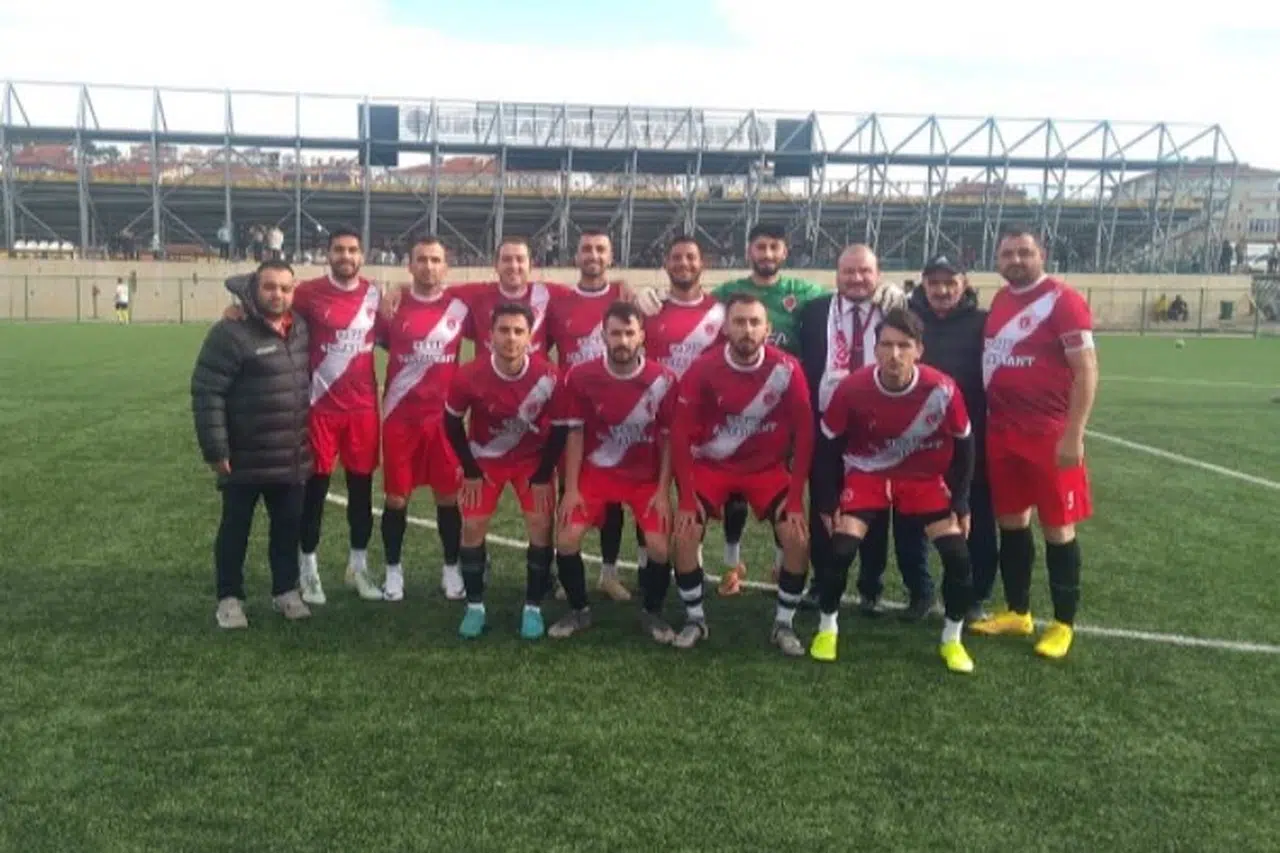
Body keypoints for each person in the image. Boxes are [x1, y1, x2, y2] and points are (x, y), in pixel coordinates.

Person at [809, 308, 979, 673]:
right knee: (840, 550)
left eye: (904, 346)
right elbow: (827, 447)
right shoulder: (852, 388)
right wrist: (827, 499)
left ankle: (952, 639)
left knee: (958, 557)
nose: (894, 354)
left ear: (919, 350)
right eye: (886, 345)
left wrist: (961, 500)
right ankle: (827, 629)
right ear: (876, 349)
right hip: (867, 474)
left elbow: (966, 445)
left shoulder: (942, 389)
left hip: (922, 480)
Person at [970, 229, 1098, 659]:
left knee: (1058, 527)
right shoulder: (1001, 300)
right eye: (1008, 253)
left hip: (1049, 433)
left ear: (1042, 255)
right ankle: (1018, 611)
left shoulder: (1063, 300)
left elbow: (1087, 369)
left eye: (1025, 252)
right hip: (1002, 431)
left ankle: (1063, 623)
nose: (1017, 260)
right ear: (997, 260)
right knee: (1011, 522)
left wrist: (1074, 433)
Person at [668, 292, 814, 655]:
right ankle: (695, 619)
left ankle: (784, 623)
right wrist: (686, 497)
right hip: (713, 467)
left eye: (754, 323)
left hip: (766, 470)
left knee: (797, 537)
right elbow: (681, 433)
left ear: (767, 329)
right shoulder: (704, 368)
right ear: (725, 329)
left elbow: (805, 432)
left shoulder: (787, 369)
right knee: (684, 533)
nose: (747, 330)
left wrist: (796, 498)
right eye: (739, 322)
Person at [797, 244, 930, 618]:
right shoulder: (815, 311)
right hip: (828, 424)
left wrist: (907, 300)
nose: (857, 279)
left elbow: (926, 324)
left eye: (865, 271)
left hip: (880, 429)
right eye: (849, 272)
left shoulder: (893, 309)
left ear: (878, 274)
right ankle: (823, 582)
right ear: (837, 275)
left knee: (875, 511)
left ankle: (871, 586)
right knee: (824, 504)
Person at [191, 261, 313, 628]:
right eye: (270, 287)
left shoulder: (300, 328)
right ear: (254, 289)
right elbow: (207, 392)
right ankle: (229, 598)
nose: (278, 295)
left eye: (285, 288)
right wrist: (216, 449)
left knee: (288, 528)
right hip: (243, 456)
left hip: (289, 455)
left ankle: (286, 591)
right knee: (235, 529)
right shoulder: (230, 332)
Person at [548, 301, 678, 639]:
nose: (622, 340)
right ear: (603, 336)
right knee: (566, 538)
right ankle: (579, 611)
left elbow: (668, 439)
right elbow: (575, 433)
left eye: (629, 333)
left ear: (642, 336)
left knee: (660, 546)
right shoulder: (581, 376)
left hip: (644, 478)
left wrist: (663, 492)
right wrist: (571, 489)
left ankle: (652, 613)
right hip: (596, 475)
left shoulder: (663, 379)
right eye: (615, 333)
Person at [443, 302, 566, 641]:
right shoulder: (469, 374)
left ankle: (533, 608)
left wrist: (543, 474)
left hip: (532, 460)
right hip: (485, 459)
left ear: (530, 337)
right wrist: (470, 469)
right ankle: (475, 607)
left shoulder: (549, 376)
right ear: (490, 335)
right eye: (504, 330)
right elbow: (451, 422)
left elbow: (559, 429)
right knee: (472, 526)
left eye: (518, 331)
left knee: (541, 525)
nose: (511, 338)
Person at [288, 227, 385, 604]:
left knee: (362, 493)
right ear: (328, 254)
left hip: (362, 411)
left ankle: (357, 567)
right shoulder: (308, 292)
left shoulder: (375, 295)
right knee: (315, 492)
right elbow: (272, 306)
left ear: (362, 255)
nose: (346, 256)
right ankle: (308, 569)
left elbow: (393, 332)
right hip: (320, 409)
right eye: (339, 250)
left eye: (353, 250)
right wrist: (237, 310)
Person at [544, 229, 634, 602]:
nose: (593, 255)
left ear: (610, 257)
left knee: (613, 497)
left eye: (600, 249)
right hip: (573, 417)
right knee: (569, 491)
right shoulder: (559, 303)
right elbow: (538, 349)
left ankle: (608, 574)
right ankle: (565, 570)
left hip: (615, 417)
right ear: (576, 256)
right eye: (586, 249)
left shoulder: (624, 297)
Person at [378, 235, 469, 602]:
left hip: (443, 420)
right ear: (409, 265)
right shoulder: (392, 307)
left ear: (445, 266)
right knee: (396, 499)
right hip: (400, 419)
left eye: (435, 260)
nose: (428, 266)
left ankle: (451, 568)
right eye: (421, 259)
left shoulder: (460, 307)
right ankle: (393, 571)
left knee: (447, 497)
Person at [908, 254, 998, 620]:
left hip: (970, 441)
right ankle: (920, 593)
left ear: (965, 283)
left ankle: (972, 595)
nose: (942, 290)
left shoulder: (984, 323)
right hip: (916, 442)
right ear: (923, 284)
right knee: (912, 523)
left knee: (975, 521)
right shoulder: (909, 320)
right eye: (934, 283)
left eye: (950, 282)